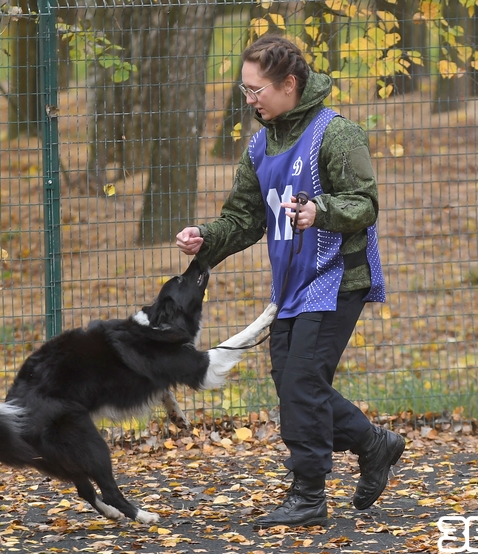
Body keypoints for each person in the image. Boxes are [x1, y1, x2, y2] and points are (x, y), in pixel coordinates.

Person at [176, 35, 405, 529]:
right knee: (295, 386)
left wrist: (320, 212)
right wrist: (205, 237)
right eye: (245, 88)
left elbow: (364, 204)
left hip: (338, 277)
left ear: (289, 85)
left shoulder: (336, 134)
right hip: (292, 287)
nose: (250, 98)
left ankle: (309, 496)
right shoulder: (260, 144)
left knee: (301, 384)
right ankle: (373, 444)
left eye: (257, 89)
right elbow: (243, 219)